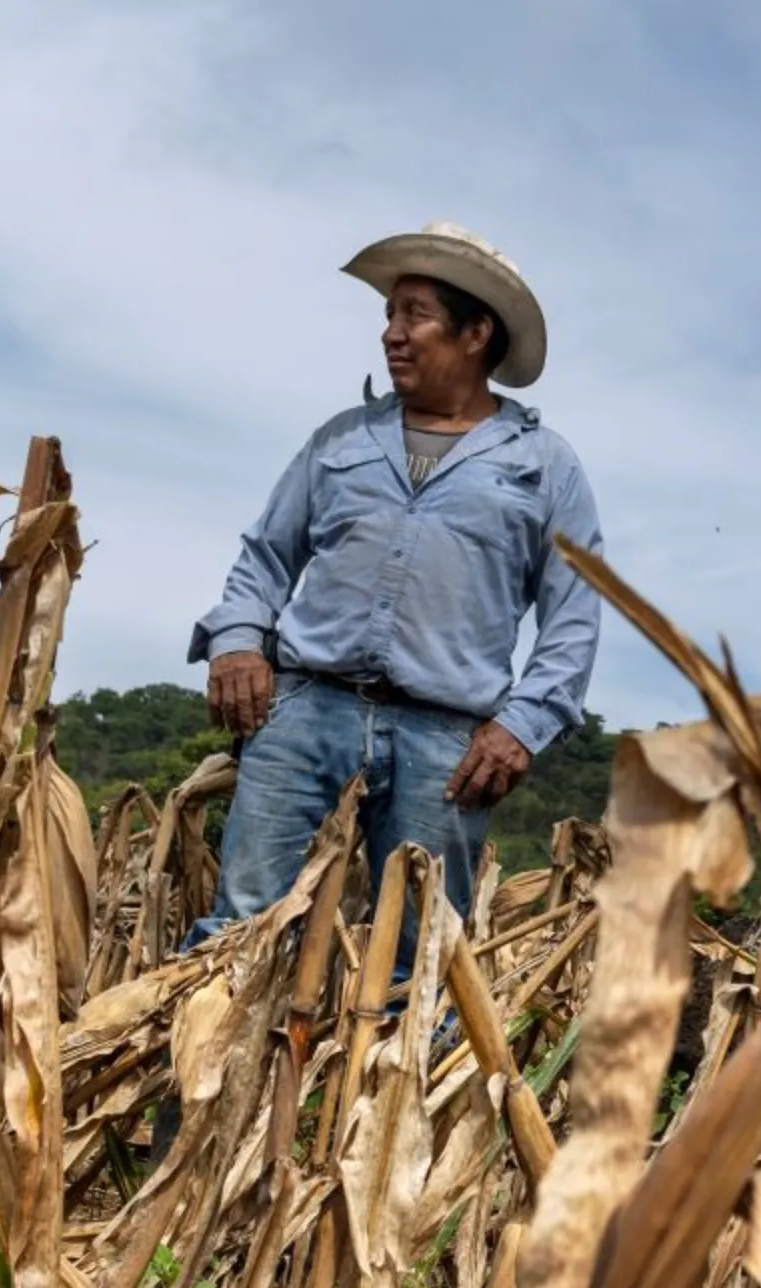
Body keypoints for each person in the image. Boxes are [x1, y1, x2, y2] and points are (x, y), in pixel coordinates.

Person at [185, 221, 603, 951]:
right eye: (389, 314)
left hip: (447, 743)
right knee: (240, 934)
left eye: (414, 314)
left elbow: (573, 617)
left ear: (475, 333)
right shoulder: (342, 440)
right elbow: (264, 557)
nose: (391, 333)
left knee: (419, 965)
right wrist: (237, 642)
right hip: (304, 711)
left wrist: (521, 727)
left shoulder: (543, 466)